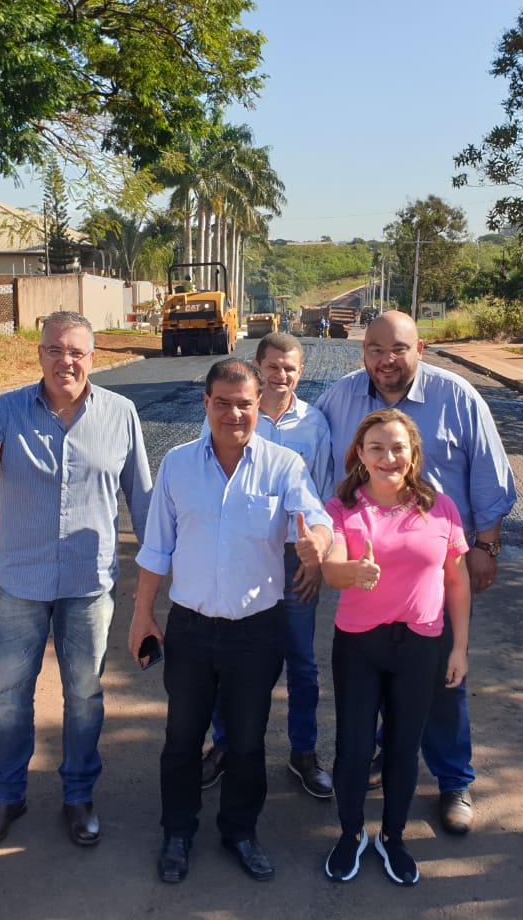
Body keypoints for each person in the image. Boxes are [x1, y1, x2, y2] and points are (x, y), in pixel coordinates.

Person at [0, 311, 152, 848]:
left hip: (89, 583)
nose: (67, 361)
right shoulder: (7, 410)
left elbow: (143, 498)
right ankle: (8, 794)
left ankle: (78, 795)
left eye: (77, 351)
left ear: (93, 357)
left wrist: (154, 576)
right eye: (56, 349)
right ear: (39, 353)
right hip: (21, 581)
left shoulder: (121, 413)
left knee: (84, 695)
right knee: (12, 696)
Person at [128, 359, 333, 885]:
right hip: (191, 629)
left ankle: (240, 831)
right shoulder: (175, 465)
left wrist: (318, 548)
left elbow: (318, 522)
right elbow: (156, 549)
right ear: (206, 404)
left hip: (255, 634)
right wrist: (142, 615)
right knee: (181, 738)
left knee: (245, 742)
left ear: (258, 405)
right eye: (222, 402)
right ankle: (177, 831)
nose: (234, 413)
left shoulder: (283, 466)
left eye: (245, 403)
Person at [314, 310, 515, 834]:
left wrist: (485, 548)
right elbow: (313, 470)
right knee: (374, 676)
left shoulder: (458, 397)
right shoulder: (338, 399)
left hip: (435, 570)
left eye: (398, 349)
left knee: (442, 682)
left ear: (420, 350)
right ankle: (383, 758)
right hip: (369, 574)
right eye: (375, 349)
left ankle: (454, 781)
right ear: (363, 352)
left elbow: (491, 478)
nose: (386, 360)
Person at [321, 409, 470, 885]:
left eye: (398, 448)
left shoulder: (440, 507)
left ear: (413, 455)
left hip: (421, 645)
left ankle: (393, 837)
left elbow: (457, 580)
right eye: (377, 448)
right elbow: (331, 568)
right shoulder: (343, 508)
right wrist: (353, 573)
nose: (388, 457)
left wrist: (459, 647)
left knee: (405, 749)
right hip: (359, 644)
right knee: (355, 746)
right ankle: (350, 834)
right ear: (360, 456)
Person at [199, 332, 335, 798]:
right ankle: (224, 746)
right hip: (243, 555)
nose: (281, 376)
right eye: (272, 367)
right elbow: (208, 476)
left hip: (296, 560)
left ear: (301, 372)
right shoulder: (230, 415)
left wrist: (317, 556)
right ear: (258, 368)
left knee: (301, 660)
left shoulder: (315, 425)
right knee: (228, 655)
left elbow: (325, 498)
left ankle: (303, 752)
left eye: (290, 368)